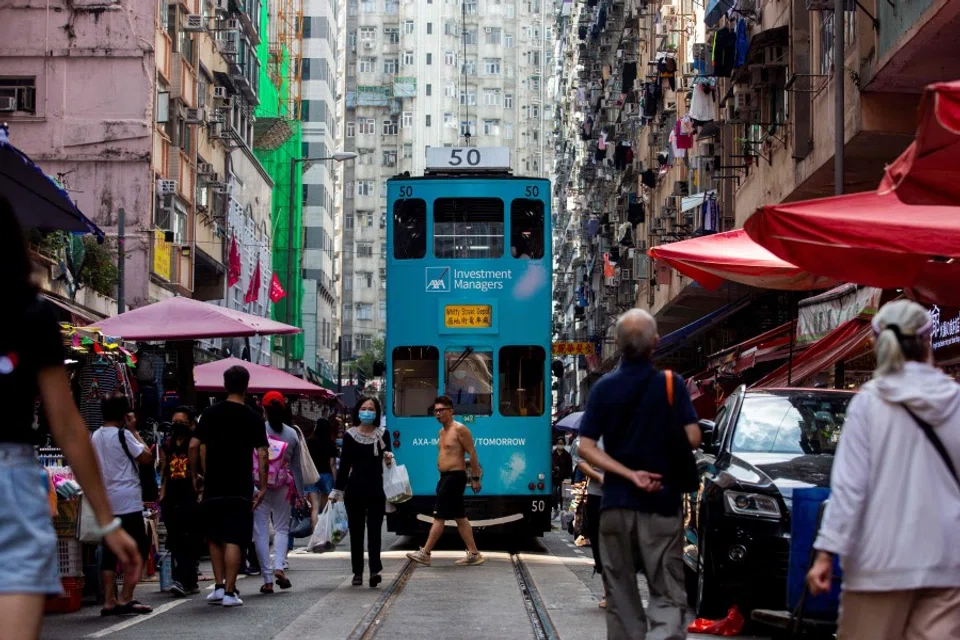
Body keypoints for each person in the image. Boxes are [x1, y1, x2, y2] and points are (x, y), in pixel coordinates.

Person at [0, 197, 140, 639]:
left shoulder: (33, 315)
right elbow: (66, 424)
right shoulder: (32, 314)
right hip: (11, 488)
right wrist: (108, 520)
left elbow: (68, 426)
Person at [807, 300, 960, 639]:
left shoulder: (869, 404)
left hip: (879, 564)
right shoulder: (955, 400)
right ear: (928, 341)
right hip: (948, 564)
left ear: (877, 344)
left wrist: (825, 554)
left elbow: (849, 490)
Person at [578, 309, 701, 640]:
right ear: (656, 343)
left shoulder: (603, 389)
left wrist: (628, 474)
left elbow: (586, 448)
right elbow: (693, 437)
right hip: (661, 504)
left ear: (617, 345)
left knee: (620, 596)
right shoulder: (671, 385)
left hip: (616, 505)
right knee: (666, 591)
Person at [190, 366, 269, 608]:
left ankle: (218, 586)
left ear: (224, 385)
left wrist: (195, 475)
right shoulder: (253, 417)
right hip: (240, 485)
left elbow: (194, 445)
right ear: (246, 386)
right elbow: (263, 453)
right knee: (235, 537)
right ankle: (230, 591)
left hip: (213, 483)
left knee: (215, 536)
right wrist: (263, 486)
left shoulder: (209, 414)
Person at [89, 395, 154, 616]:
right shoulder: (123, 434)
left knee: (109, 551)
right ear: (123, 415)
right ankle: (125, 596)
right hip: (128, 500)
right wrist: (134, 430)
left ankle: (109, 600)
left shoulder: (95, 436)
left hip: (107, 501)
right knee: (138, 547)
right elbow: (146, 457)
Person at [406, 395, 485, 568]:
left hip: (454, 478)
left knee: (439, 516)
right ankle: (474, 553)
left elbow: (472, 453)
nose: (437, 414)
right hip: (445, 478)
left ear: (451, 411)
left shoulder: (460, 429)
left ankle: (425, 552)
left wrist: (476, 479)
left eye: (441, 410)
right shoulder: (441, 432)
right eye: (435, 411)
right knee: (460, 517)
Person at [330, 396, 394, 587]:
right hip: (354, 490)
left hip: (376, 489)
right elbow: (344, 468)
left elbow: (388, 459)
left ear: (376, 413)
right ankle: (357, 572)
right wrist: (336, 491)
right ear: (358, 411)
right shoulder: (350, 435)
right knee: (356, 533)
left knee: (375, 532)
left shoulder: (383, 434)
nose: (367, 412)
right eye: (364, 408)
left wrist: (389, 458)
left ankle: (374, 570)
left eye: (371, 409)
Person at [253, 391, 304, 594]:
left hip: (259, 486)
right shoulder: (292, 434)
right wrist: (300, 495)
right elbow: (297, 468)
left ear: (262, 408)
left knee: (261, 531)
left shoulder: (257, 430)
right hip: (283, 485)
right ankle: (280, 566)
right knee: (282, 528)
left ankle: (267, 579)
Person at [159, 406, 200, 597]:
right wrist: (162, 494)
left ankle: (186, 579)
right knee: (175, 540)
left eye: (182, 423)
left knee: (190, 539)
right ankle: (184, 580)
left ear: (191, 424)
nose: (177, 426)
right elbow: (165, 471)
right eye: (175, 423)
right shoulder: (167, 444)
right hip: (172, 497)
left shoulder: (197, 444)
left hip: (191, 496)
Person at [570, 434, 608, 609]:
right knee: (601, 544)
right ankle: (608, 592)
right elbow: (578, 455)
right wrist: (598, 476)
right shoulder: (594, 432)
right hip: (598, 496)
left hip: (627, 495)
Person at [305, 416, 338, 529]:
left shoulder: (309, 442)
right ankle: (325, 533)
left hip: (312, 475)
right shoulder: (330, 443)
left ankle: (316, 535)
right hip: (326, 475)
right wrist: (335, 479)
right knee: (326, 507)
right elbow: (332, 464)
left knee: (315, 506)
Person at [551, 436, 573, 518]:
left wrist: (568, 477)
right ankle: (555, 508)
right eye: (559, 443)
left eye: (562, 443)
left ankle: (562, 512)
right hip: (553, 477)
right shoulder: (552, 454)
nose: (560, 445)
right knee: (553, 494)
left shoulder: (567, 455)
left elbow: (569, 468)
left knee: (562, 495)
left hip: (563, 478)